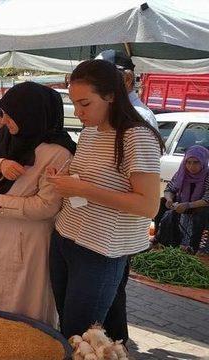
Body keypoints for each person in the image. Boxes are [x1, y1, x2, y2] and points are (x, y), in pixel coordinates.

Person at [47, 60, 164, 340]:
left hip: (101, 251)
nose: (78, 112)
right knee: (70, 328)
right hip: (66, 238)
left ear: (111, 95)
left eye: (85, 104)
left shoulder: (137, 136)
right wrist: (63, 176)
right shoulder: (90, 132)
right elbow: (87, 176)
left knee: (81, 335)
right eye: (75, 104)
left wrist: (84, 189)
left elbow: (148, 206)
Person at [0, 82, 76, 325]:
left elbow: (47, 206)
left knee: (23, 308)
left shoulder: (58, 153)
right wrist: (0, 166)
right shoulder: (4, 138)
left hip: (29, 240)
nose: (3, 120)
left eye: (10, 114)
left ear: (30, 113)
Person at [96, 49, 161, 344]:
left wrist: (85, 189)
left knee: (113, 294)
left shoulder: (139, 122)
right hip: (105, 231)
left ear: (126, 79)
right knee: (109, 296)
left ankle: (115, 345)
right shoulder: (108, 119)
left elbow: (145, 197)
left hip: (118, 233)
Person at [154, 145, 209, 253]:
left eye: (195, 162)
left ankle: (194, 247)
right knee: (162, 202)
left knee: (204, 212)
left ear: (203, 161)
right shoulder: (181, 173)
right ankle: (160, 238)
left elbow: (207, 198)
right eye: (188, 162)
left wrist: (188, 205)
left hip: (198, 207)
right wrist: (169, 199)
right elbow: (169, 189)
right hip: (181, 205)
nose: (191, 166)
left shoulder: (207, 176)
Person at [95, 50, 157, 129]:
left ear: (128, 78)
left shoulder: (138, 116)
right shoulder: (104, 110)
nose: (95, 83)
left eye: (103, 76)